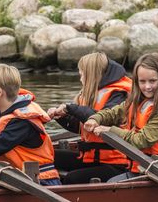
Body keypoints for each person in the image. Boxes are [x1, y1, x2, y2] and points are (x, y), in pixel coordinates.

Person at [83, 53, 158, 181]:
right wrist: (96, 119)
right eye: (142, 81)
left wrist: (110, 130)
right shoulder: (137, 101)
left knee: (111, 184)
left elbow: (141, 140)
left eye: (152, 81)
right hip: (141, 169)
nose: (147, 87)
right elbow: (113, 112)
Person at [47, 52, 132, 184]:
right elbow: (81, 127)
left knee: (72, 178)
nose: (80, 79)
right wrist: (61, 117)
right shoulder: (92, 95)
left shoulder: (118, 94)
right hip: (91, 158)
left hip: (118, 164)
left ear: (91, 75)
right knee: (47, 155)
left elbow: (103, 117)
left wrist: (71, 108)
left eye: (81, 74)